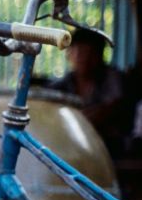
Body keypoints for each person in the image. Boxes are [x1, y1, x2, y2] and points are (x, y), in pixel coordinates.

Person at [51, 28, 128, 157]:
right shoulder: (62, 84)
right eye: (79, 52)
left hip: (109, 149)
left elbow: (113, 107)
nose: (84, 58)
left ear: (100, 55)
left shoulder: (112, 78)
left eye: (90, 52)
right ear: (69, 54)